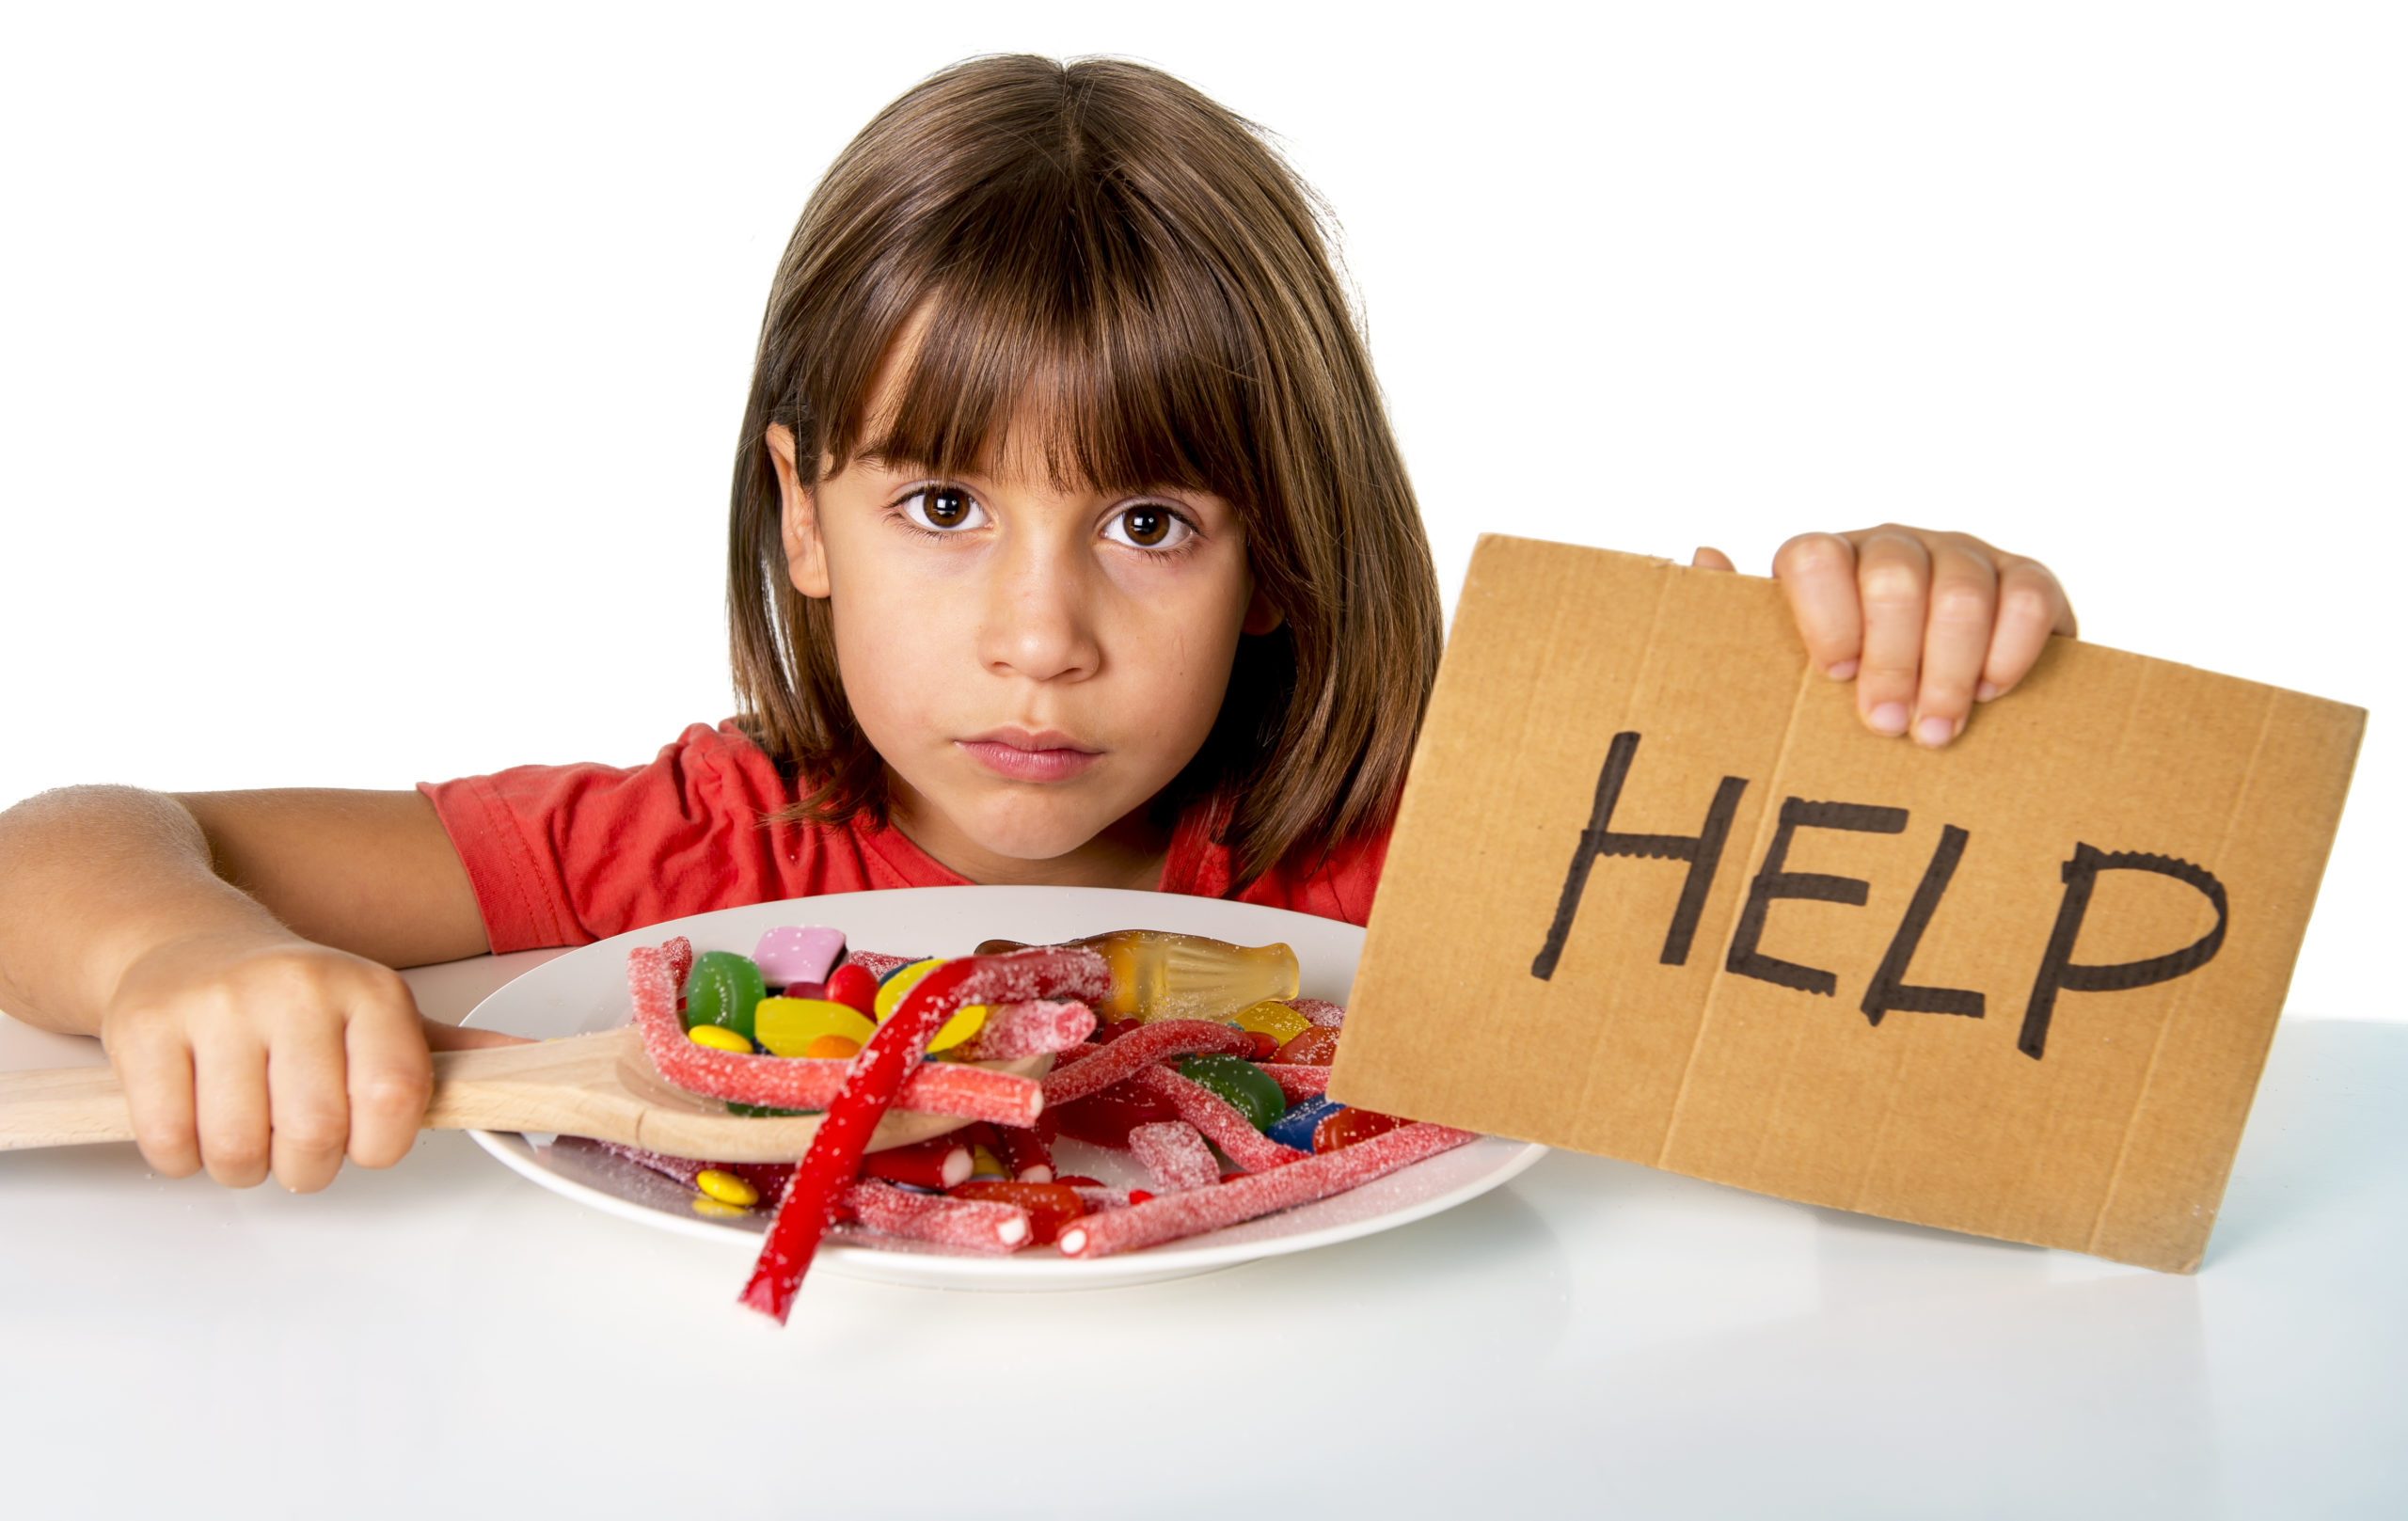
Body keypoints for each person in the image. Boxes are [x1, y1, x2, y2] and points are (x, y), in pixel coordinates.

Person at [0, 55, 2073, 1195]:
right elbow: (60, 847)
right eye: (937, 504)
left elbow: (1945, 1048)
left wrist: (1885, 700)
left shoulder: (1428, 847)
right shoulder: (724, 850)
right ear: (800, 516)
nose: (1039, 635)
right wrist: (192, 951)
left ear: (1278, 560)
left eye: (1149, 519)